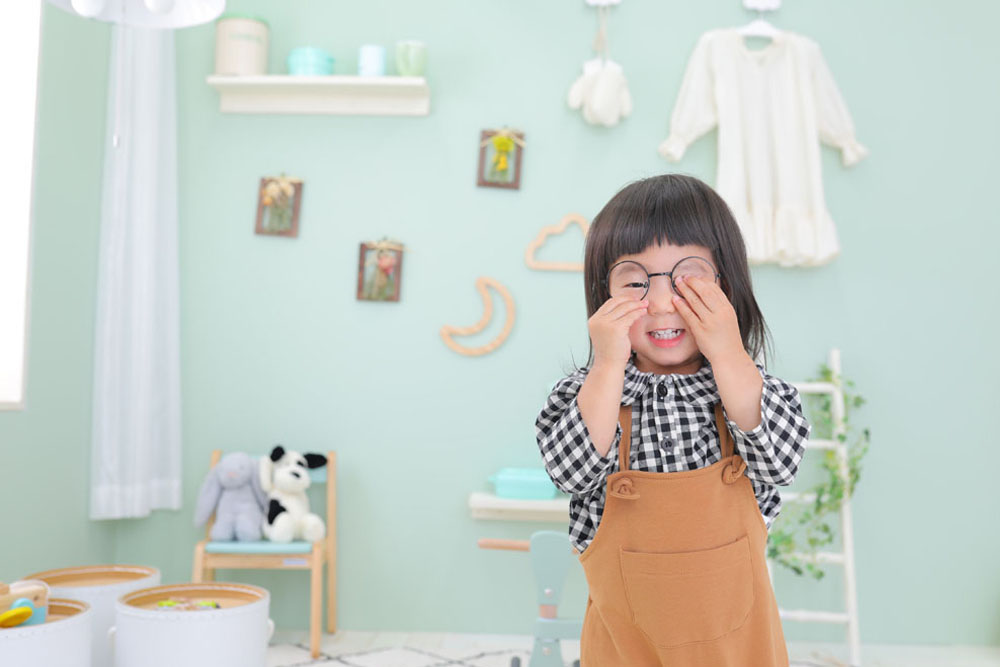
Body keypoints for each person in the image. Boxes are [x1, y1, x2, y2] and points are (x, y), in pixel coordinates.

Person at [536, 173, 811, 665]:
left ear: (728, 285)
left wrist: (728, 352)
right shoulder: (589, 393)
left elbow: (780, 463)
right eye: (635, 283)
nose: (662, 303)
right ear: (603, 295)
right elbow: (570, 474)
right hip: (626, 649)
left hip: (739, 651)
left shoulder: (744, 389)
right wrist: (607, 366)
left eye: (688, 280)